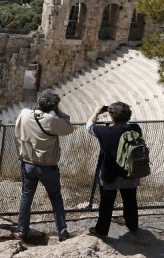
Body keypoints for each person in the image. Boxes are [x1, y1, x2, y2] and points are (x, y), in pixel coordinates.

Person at [14, 89, 74, 242]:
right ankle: (62, 231)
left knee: (26, 196)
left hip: (28, 162)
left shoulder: (25, 113)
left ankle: (22, 230)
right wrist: (57, 109)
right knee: (55, 197)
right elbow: (69, 127)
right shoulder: (52, 120)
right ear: (52, 107)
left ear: (39, 101)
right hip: (47, 166)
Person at [85, 102, 140, 238]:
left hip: (110, 174)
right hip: (130, 173)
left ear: (111, 116)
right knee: (130, 201)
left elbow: (88, 126)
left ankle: (101, 230)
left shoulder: (105, 131)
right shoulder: (135, 129)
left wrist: (97, 113)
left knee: (106, 204)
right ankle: (133, 226)